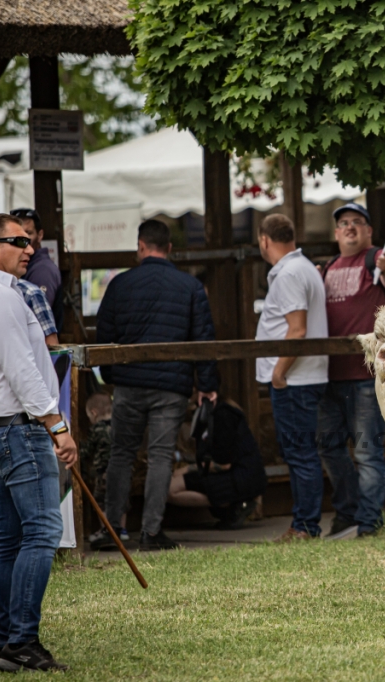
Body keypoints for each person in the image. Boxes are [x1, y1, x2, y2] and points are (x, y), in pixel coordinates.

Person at [0, 213, 77, 671]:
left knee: (8, 538)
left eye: (29, 241)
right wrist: (58, 427)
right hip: (18, 427)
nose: (29, 248)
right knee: (42, 531)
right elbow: (22, 369)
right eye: (17, 241)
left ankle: (1, 640)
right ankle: (21, 642)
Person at [92, 220, 219, 551]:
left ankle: (112, 528)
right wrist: (206, 384)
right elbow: (204, 339)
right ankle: (151, 531)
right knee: (162, 455)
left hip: (129, 383)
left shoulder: (120, 284)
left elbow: (104, 334)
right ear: (170, 249)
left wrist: (110, 375)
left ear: (141, 246)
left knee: (121, 453)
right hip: (171, 385)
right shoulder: (189, 286)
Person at [320, 202, 385, 537]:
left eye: (357, 222)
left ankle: (369, 523)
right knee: (329, 448)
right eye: (343, 223)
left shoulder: (376, 260)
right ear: (336, 233)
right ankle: (347, 512)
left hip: (366, 378)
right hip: (328, 375)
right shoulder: (327, 267)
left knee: (368, 453)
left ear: (368, 231)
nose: (349, 227)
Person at [254, 215, 329, 540]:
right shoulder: (304, 268)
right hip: (305, 375)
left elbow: (297, 329)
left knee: (300, 453)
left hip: (296, 378)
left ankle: (305, 525)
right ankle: (304, 522)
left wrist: (278, 372)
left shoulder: (288, 274)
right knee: (303, 452)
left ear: (264, 240)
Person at [168, 399, 267, 529]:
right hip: (236, 476)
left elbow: (224, 463)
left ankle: (232, 502)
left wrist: (186, 469)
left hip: (238, 478)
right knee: (170, 485)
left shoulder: (223, 416)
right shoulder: (214, 416)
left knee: (169, 489)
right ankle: (230, 504)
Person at [82, 393, 130, 545]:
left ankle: (107, 530)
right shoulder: (121, 425)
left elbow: (87, 450)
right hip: (124, 470)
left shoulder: (97, 429)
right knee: (122, 498)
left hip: (103, 472)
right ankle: (122, 530)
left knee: (101, 501)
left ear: (94, 413)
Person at [10, 208, 63, 332]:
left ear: (40, 236)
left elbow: (36, 323)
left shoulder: (42, 270)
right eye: (17, 235)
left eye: (28, 233)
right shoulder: (24, 266)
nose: (22, 240)